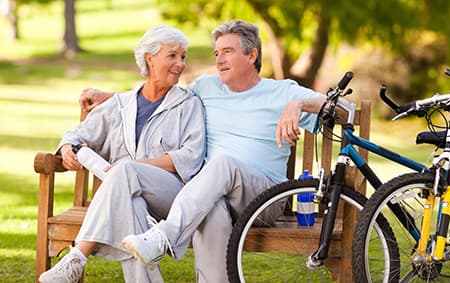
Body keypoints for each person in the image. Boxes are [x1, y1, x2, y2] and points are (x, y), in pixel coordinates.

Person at [80, 20, 327, 283]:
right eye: (216, 53)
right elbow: (161, 93)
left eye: (228, 51)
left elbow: (342, 108)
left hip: (262, 199)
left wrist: (298, 105)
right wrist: (109, 96)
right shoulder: (206, 87)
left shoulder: (282, 91)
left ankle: (165, 237)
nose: (219, 59)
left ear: (252, 55)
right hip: (212, 195)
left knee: (223, 164)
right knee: (209, 207)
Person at [38, 24, 206, 283]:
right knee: (131, 208)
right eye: (172, 55)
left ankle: (77, 258)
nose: (180, 64)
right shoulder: (120, 105)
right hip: (126, 198)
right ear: (149, 58)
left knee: (126, 169)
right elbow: (77, 134)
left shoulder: (188, 104)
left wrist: (137, 166)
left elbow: (190, 157)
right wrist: (66, 149)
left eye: (183, 57)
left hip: (172, 198)